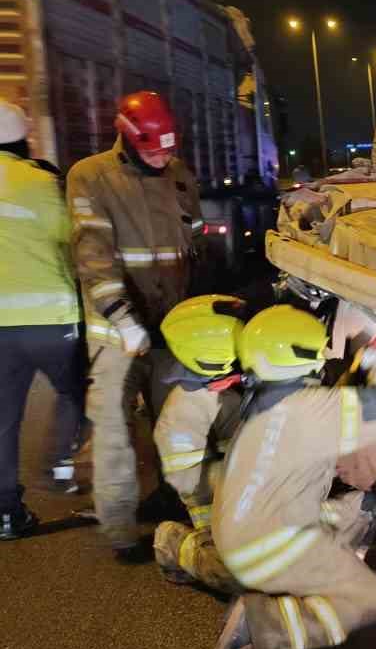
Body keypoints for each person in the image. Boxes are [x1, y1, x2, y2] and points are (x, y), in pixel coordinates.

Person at [206, 307, 376, 649]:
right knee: (372, 599)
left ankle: (319, 583)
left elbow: (331, 404)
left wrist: (356, 371)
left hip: (243, 529)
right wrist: (375, 354)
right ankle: (262, 626)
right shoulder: (309, 409)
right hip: (272, 543)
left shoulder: (266, 400)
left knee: (364, 507)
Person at [66, 91, 203, 560]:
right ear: (128, 136)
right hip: (117, 331)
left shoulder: (180, 175)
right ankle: (121, 528)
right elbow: (93, 257)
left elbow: (195, 247)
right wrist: (123, 318)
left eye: (169, 148)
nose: (163, 157)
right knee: (113, 429)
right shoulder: (91, 177)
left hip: (172, 327)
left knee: (177, 421)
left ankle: (175, 502)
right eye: (154, 150)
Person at [0, 100, 84, 540]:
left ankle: (7, 514)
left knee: (3, 419)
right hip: (50, 319)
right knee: (75, 392)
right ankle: (58, 464)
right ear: (20, 138)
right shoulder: (38, 181)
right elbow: (69, 237)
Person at [151, 295, 248, 593]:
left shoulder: (221, 392)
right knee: (237, 576)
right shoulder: (181, 413)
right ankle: (171, 542)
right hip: (212, 510)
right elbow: (190, 482)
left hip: (240, 499)